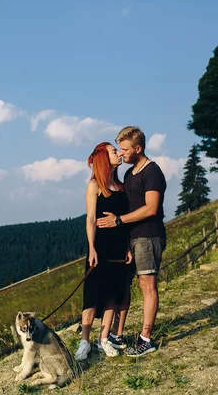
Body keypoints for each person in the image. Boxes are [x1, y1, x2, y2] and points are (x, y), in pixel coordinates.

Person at [97, 126, 167, 357]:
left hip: (149, 235)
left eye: (125, 149)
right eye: (120, 149)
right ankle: (117, 334)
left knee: (147, 285)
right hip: (133, 237)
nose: (122, 153)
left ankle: (146, 339)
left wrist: (119, 220)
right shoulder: (129, 174)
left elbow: (151, 208)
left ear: (138, 148)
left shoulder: (152, 171)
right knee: (128, 285)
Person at [75, 142, 134, 361]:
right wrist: (91, 248)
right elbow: (90, 218)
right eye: (113, 151)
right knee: (91, 295)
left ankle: (104, 339)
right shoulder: (94, 185)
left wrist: (128, 246)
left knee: (113, 295)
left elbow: (124, 222)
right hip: (100, 246)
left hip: (119, 245)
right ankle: (84, 341)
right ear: (102, 157)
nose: (118, 154)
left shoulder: (120, 185)